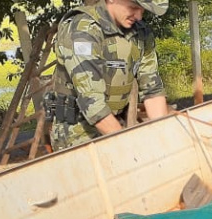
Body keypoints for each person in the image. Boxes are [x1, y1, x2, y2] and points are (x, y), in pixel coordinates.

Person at [48, 0, 170, 151]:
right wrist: (127, 147)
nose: (138, 16)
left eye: (142, 10)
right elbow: (92, 101)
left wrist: (163, 136)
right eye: (133, 8)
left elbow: (152, 89)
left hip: (113, 123)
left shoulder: (141, 33)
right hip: (77, 133)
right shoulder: (82, 31)